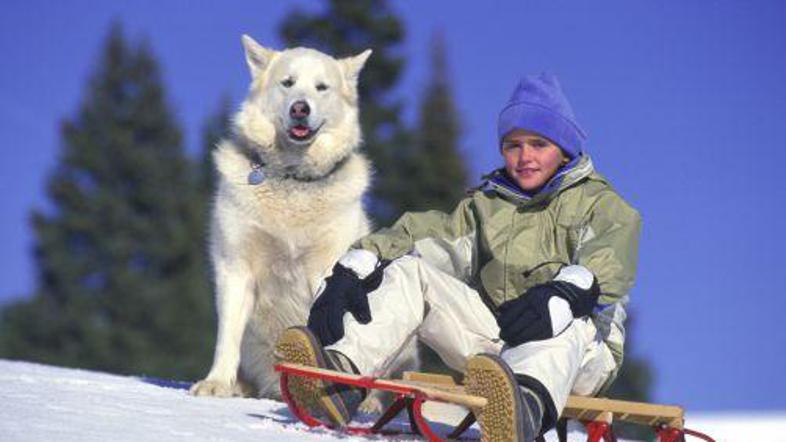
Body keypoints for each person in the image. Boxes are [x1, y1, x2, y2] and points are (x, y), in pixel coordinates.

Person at [276, 73, 641, 441]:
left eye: (538, 144)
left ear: (563, 149)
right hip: (501, 345)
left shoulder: (600, 205)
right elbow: (425, 239)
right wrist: (356, 265)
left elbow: (611, 255)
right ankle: (341, 382)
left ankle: (522, 412)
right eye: (513, 145)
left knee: (565, 320)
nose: (524, 156)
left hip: (581, 355)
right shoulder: (485, 207)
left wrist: (568, 291)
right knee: (412, 273)